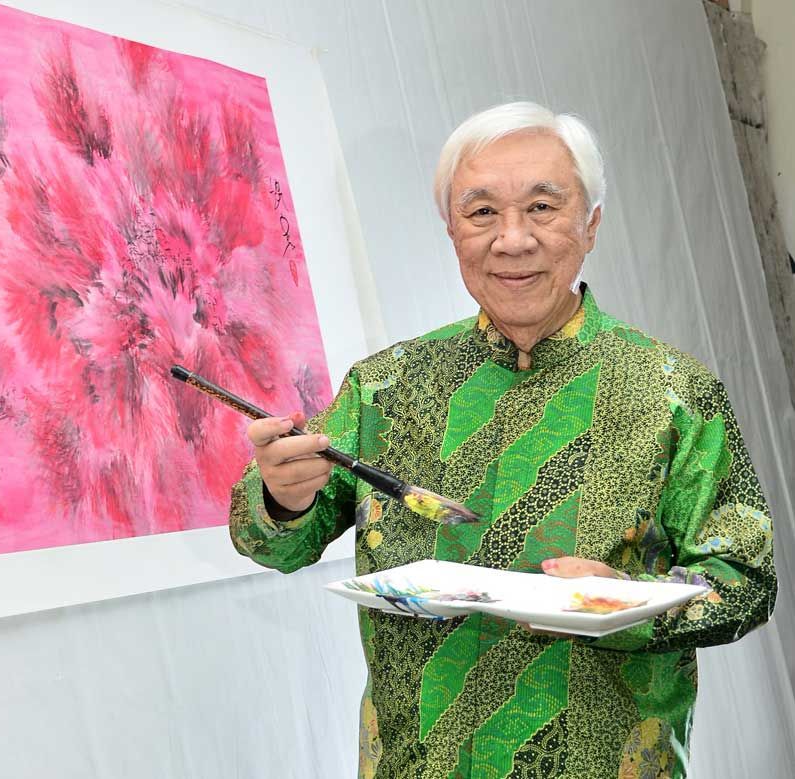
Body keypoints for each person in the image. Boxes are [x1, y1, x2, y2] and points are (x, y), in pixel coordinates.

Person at [229, 102, 777, 779]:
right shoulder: (383, 385)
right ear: (450, 229)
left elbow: (746, 582)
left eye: (542, 208)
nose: (511, 240)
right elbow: (276, 540)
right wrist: (280, 498)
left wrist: (627, 601)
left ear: (590, 225)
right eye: (481, 212)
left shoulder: (672, 392)